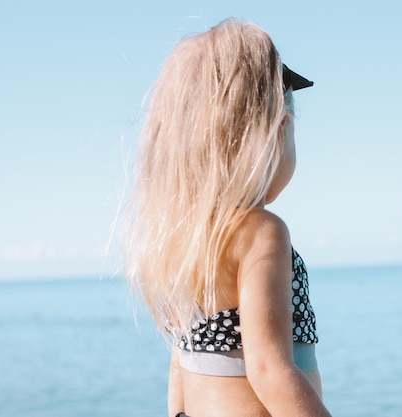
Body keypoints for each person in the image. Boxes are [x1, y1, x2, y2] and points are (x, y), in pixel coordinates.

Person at [123, 18, 332, 417]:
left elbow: (181, 360)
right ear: (277, 127)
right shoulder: (262, 232)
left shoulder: (183, 237)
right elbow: (270, 369)